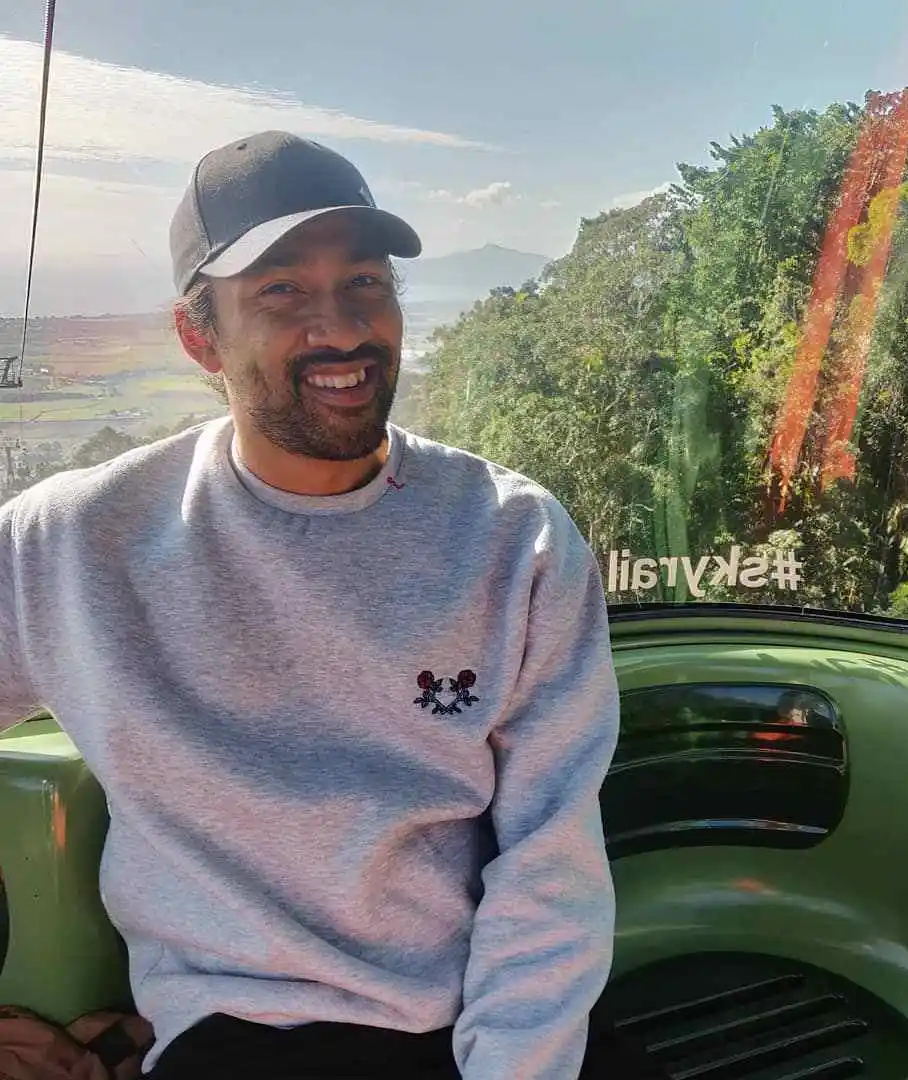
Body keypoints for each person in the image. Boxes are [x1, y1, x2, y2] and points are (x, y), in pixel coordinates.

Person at [0, 132, 665, 1079]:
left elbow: (550, 865)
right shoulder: (71, 543)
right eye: (281, 290)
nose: (342, 328)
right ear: (199, 337)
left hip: (484, 1016)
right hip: (242, 1035)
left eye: (366, 282)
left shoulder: (514, 539)